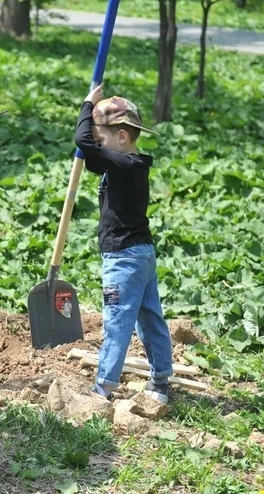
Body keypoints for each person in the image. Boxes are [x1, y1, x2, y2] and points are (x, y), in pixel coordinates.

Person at [73, 85, 174, 405]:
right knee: (149, 318)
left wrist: (86, 104)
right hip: (141, 255)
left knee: (117, 321)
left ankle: (102, 388)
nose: (97, 139)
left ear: (122, 136)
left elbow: (81, 142)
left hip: (123, 259)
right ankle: (159, 381)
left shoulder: (123, 165)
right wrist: (93, 123)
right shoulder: (130, 164)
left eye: (102, 134)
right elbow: (90, 156)